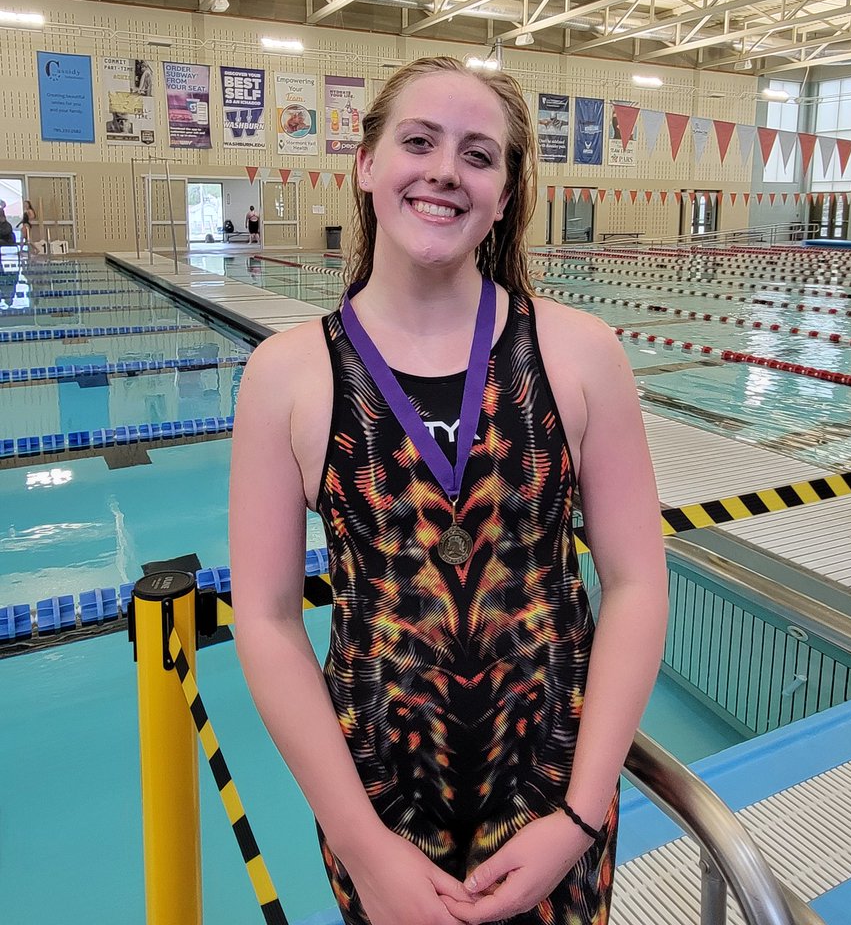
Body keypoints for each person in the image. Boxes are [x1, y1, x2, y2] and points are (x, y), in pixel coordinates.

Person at [229, 56, 667, 925]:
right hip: (381, 817)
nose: (443, 171)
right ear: (366, 165)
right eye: (418, 141)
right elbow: (268, 618)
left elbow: (637, 583)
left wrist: (579, 817)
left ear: (504, 194)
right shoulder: (287, 376)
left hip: (552, 798)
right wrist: (362, 845)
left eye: (478, 154)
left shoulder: (580, 356)